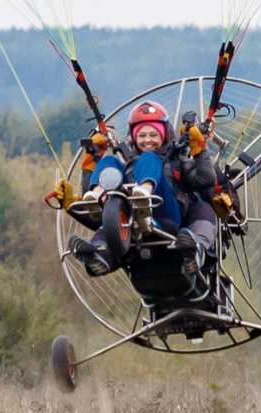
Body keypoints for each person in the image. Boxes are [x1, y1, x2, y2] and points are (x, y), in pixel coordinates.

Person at [72, 101, 224, 279]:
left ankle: (144, 194)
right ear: (134, 138)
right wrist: (92, 157)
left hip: (167, 216)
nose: (148, 140)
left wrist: (199, 148)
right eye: (142, 135)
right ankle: (98, 248)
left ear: (164, 135)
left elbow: (205, 179)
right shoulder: (126, 165)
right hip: (131, 222)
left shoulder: (178, 161)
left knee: (148, 158)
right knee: (109, 163)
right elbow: (92, 200)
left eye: (153, 134)